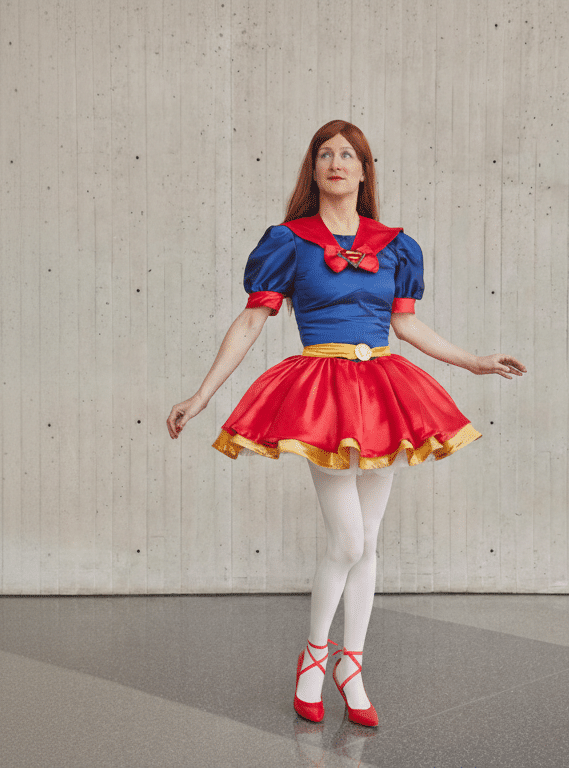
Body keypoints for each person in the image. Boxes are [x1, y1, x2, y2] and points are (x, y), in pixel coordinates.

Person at [166, 120, 525, 727]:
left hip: (383, 388)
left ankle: (350, 665)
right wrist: (203, 394)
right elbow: (252, 322)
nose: (336, 162)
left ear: (364, 170)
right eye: (325, 154)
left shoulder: (396, 244)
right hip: (322, 393)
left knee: (370, 541)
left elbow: (406, 326)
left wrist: (474, 361)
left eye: (348, 154)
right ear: (314, 170)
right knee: (349, 540)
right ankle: (314, 658)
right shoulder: (289, 240)